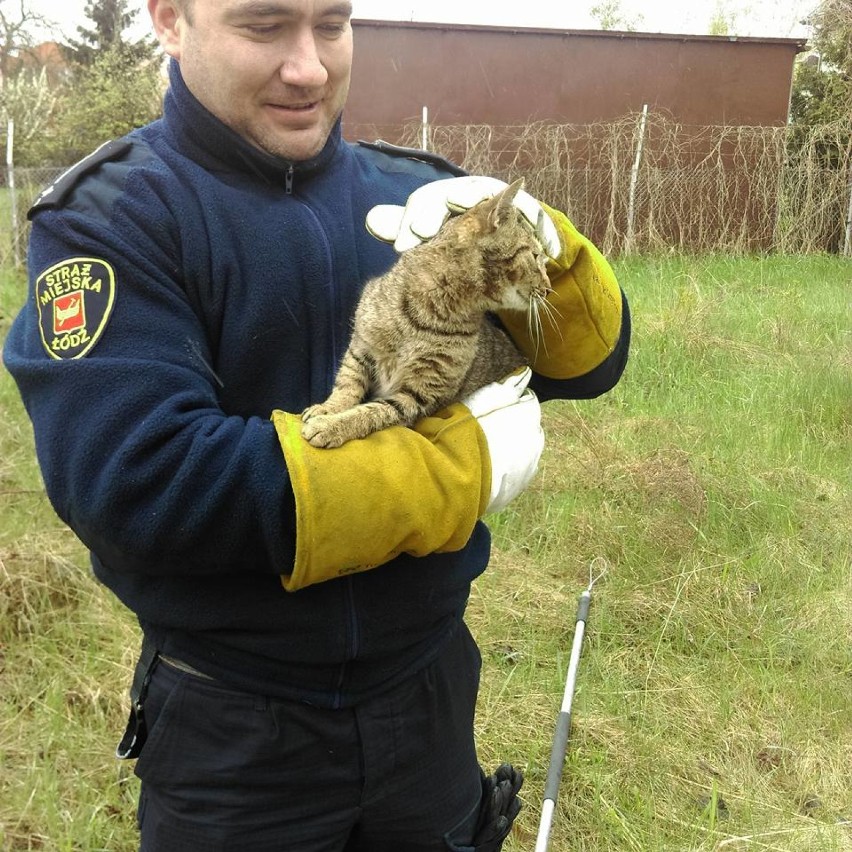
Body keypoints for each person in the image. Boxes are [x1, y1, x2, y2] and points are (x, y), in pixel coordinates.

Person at [2, 0, 630, 849]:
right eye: (264, 27)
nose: (309, 67)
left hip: (431, 698)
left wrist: (555, 254)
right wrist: (449, 474)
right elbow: (138, 481)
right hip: (235, 730)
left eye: (331, 25)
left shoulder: (419, 198)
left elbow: (588, 369)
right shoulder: (112, 217)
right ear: (169, 20)